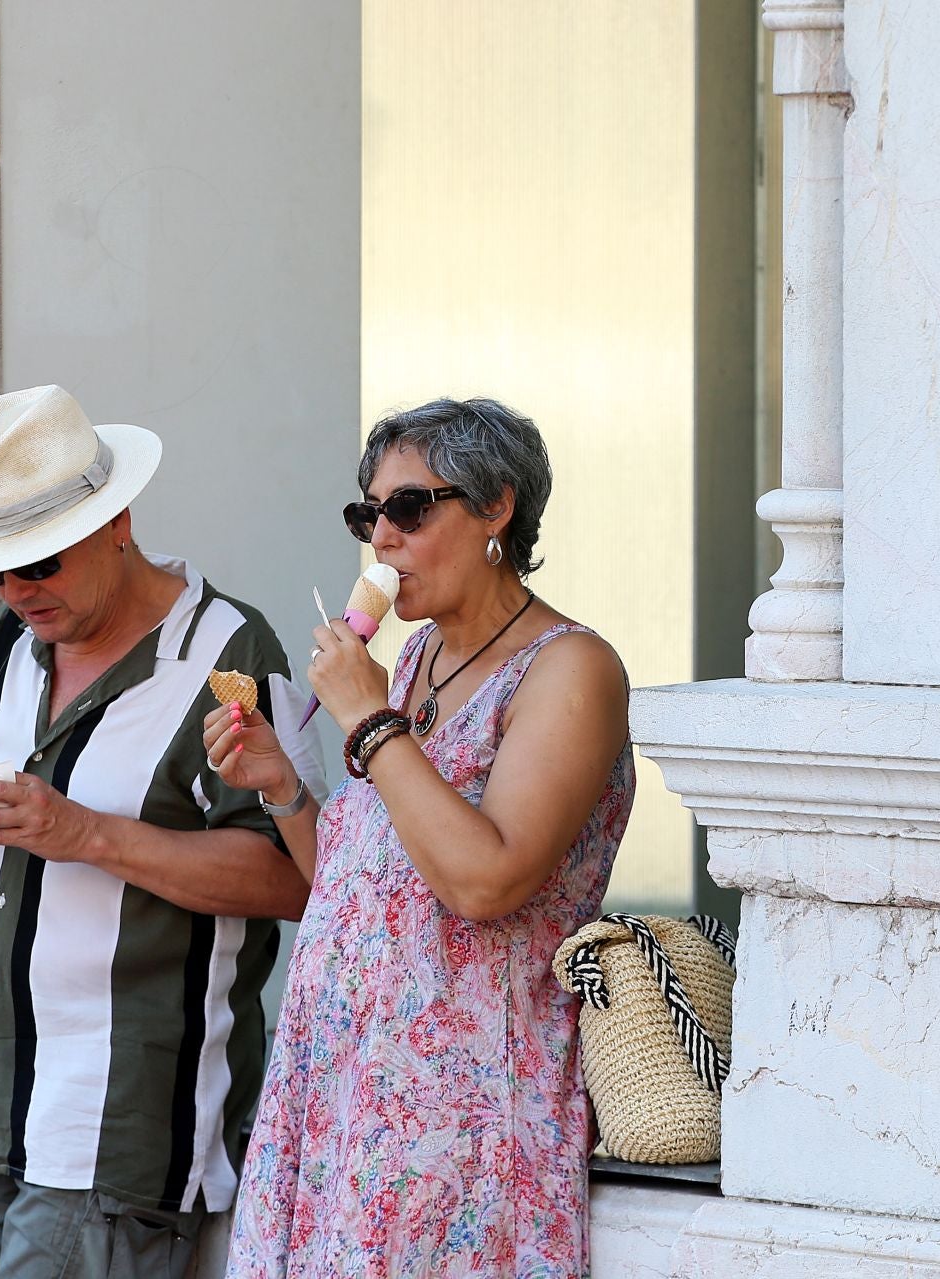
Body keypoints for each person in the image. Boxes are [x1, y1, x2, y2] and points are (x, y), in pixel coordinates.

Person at [0, 384, 313, 1279]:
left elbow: (293, 878)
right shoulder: (3, 645)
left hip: (116, 1132)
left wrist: (84, 832)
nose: (19, 591)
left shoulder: (229, 655)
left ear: (116, 521)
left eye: (41, 563)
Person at [203, 397, 636, 1276]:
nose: (383, 541)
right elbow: (361, 888)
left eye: (409, 509)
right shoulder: (414, 661)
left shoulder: (569, 669)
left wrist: (367, 720)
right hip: (341, 1102)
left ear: (496, 508)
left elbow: (486, 881)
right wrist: (284, 785)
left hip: (459, 1123)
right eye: (369, 516)